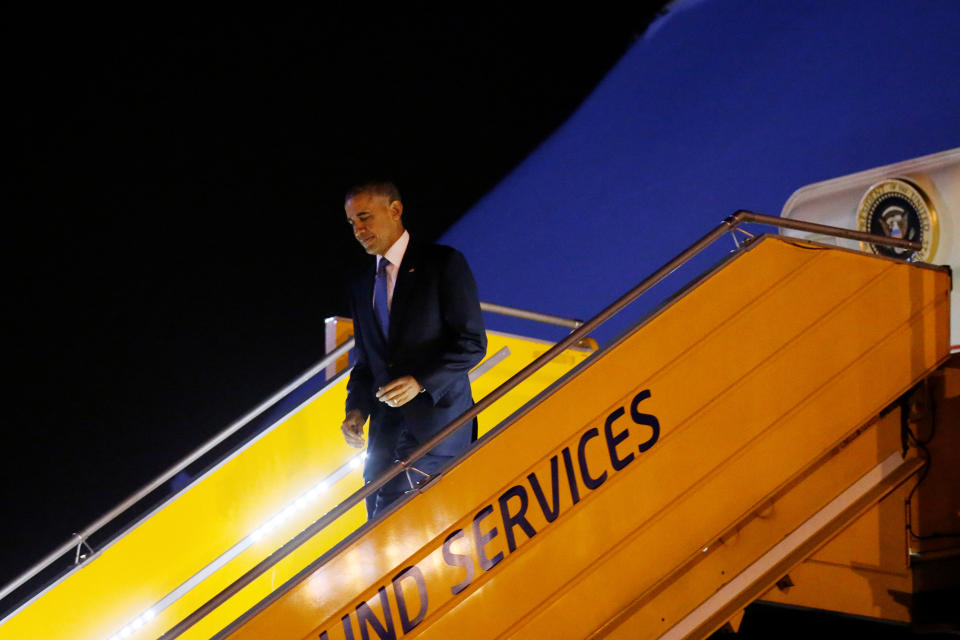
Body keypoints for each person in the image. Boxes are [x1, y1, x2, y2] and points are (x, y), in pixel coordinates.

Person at [340, 181, 486, 518]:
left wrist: (419, 381)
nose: (359, 230)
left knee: (403, 522)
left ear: (395, 210)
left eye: (364, 218)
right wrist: (356, 410)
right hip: (384, 434)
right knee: (376, 526)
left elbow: (472, 344)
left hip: (438, 426)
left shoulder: (443, 263)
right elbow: (368, 361)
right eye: (352, 223)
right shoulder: (362, 285)